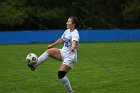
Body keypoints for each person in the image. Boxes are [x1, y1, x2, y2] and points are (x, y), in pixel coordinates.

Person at [28, 16, 83, 93]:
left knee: (60, 75)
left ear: (73, 24)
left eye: (68, 21)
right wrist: (52, 45)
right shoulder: (67, 31)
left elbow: (74, 42)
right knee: (49, 51)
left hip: (70, 57)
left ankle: (70, 91)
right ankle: (34, 65)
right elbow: (61, 39)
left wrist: (73, 47)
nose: (66, 23)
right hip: (63, 52)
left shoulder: (75, 33)